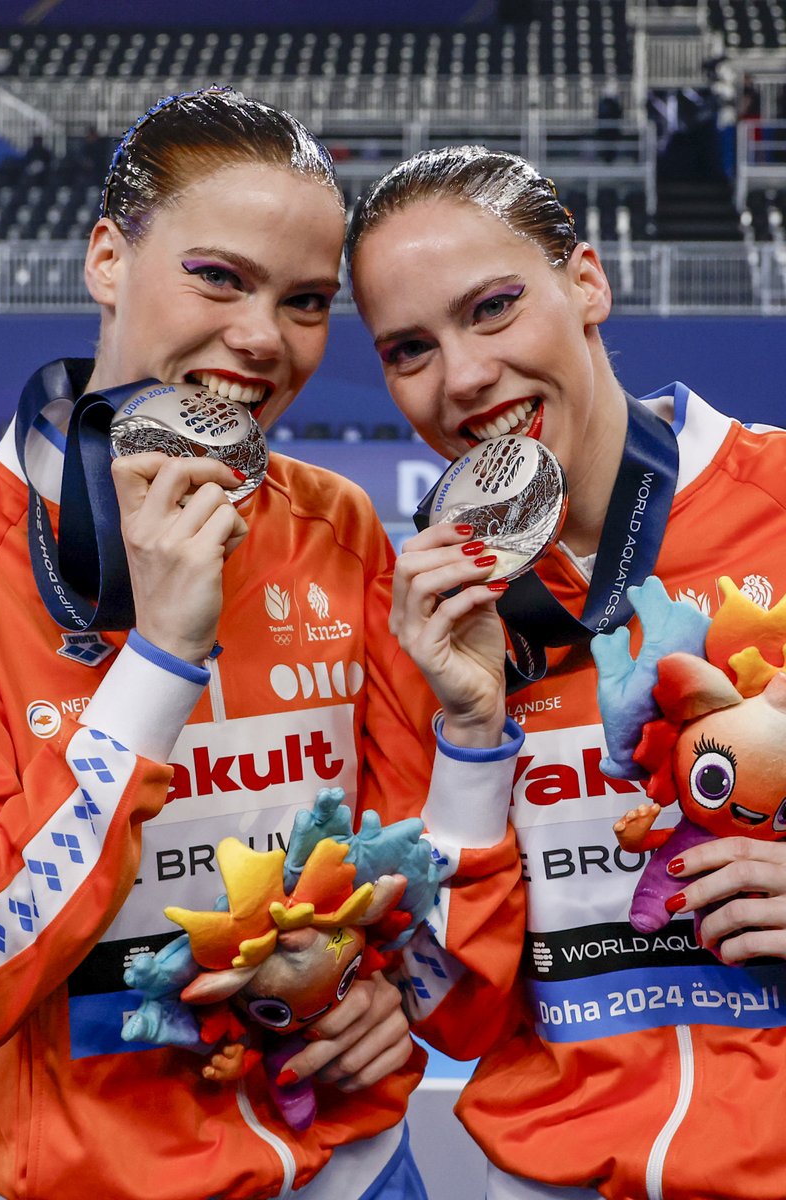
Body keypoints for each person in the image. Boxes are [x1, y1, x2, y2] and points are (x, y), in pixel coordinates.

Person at [0, 95, 523, 1200]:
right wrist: (158, 661)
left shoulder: (337, 526)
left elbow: (418, 915)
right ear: (105, 259)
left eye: (306, 301)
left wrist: (391, 989)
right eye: (219, 278)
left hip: (357, 1174)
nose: (264, 338)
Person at [345, 144, 786, 1200]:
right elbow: (452, 1011)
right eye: (410, 348)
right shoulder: (427, 619)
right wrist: (468, 734)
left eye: (492, 308)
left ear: (586, 281)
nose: (461, 377)